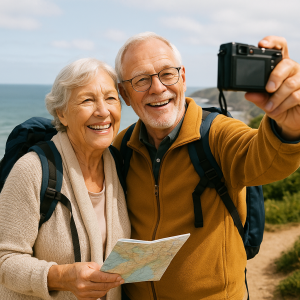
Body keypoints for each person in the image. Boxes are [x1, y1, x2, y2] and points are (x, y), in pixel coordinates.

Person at [113, 32, 300, 300]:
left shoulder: (217, 135)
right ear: (124, 94)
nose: (157, 88)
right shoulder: (123, 147)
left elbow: (267, 160)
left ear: (183, 78)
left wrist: (289, 128)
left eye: (167, 74)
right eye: (141, 80)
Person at [0, 58, 131, 300]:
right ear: (62, 114)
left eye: (111, 98)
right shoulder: (33, 170)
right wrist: (59, 276)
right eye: (88, 100)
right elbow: (4, 260)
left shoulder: (122, 164)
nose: (103, 111)